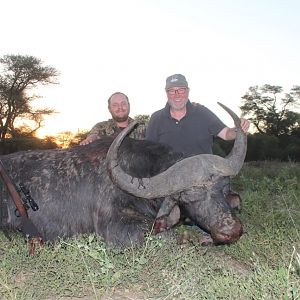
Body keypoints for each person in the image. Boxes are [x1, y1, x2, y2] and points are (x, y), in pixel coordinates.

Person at [146, 73, 250, 157]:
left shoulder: (202, 112)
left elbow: (227, 134)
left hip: (203, 178)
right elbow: (149, 152)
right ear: (166, 93)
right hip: (168, 178)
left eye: (181, 90)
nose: (177, 95)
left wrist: (238, 128)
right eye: (172, 91)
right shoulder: (156, 118)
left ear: (188, 91)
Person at [80, 92, 145, 145]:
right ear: (109, 109)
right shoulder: (100, 127)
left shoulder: (144, 127)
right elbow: (93, 136)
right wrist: (91, 139)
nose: (120, 107)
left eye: (123, 104)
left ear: (129, 105)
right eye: (115, 105)